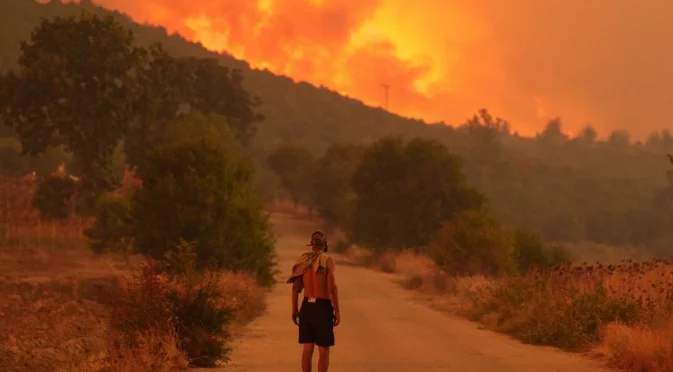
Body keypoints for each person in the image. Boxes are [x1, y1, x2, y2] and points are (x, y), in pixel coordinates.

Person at [286, 230, 340, 372]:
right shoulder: (328, 261)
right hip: (322, 307)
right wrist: (337, 311)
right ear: (325, 244)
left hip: (306, 306)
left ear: (311, 245)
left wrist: (294, 310)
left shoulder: (303, 261)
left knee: (307, 348)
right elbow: (332, 288)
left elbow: (295, 288)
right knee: (323, 349)